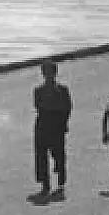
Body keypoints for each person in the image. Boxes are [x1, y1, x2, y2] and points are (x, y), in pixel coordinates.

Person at [32, 61, 73, 203]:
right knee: (41, 156)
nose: (48, 75)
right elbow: (38, 106)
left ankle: (61, 182)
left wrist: (64, 122)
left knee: (59, 156)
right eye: (46, 73)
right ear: (43, 74)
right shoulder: (38, 90)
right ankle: (45, 184)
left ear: (55, 73)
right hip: (43, 125)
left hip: (57, 126)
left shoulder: (63, 89)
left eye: (51, 72)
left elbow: (68, 107)